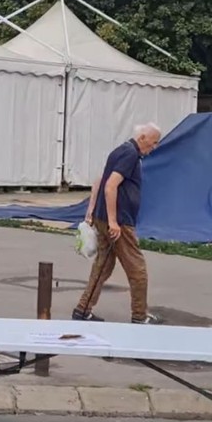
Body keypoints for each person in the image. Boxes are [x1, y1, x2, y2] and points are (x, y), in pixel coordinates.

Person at [72, 123, 162, 324]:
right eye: (154, 142)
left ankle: (82, 309)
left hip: (103, 218)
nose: (154, 147)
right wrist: (114, 222)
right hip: (118, 222)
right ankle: (139, 315)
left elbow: (100, 180)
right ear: (143, 138)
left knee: (103, 266)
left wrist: (92, 211)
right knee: (137, 269)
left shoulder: (120, 151)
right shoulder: (130, 155)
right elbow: (110, 186)